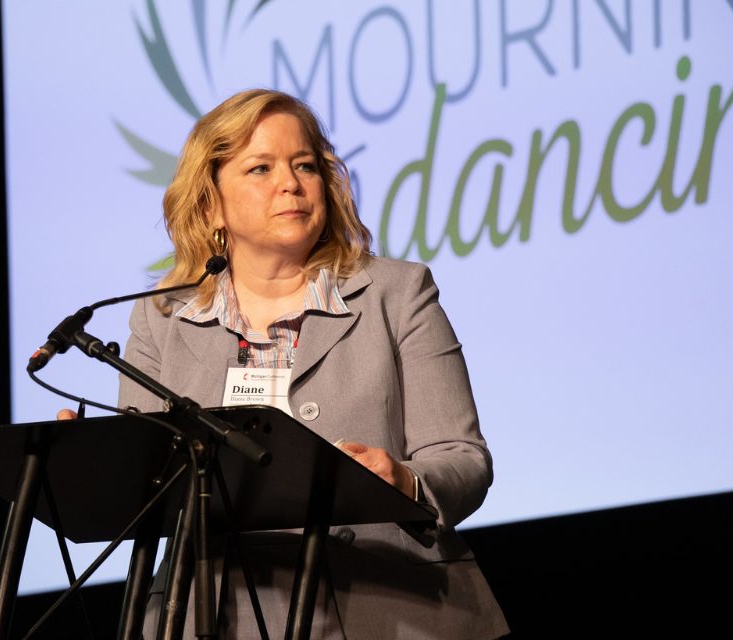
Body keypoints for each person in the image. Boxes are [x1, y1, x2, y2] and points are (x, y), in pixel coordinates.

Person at [64, 88, 508, 638]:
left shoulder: (397, 293)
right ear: (210, 203)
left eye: (305, 165)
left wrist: (406, 481)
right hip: (210, 615)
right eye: (260, 168)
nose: (291, 184)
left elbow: (461, 457)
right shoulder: (160, 319)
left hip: (386, 604)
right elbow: (145, 484)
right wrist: (87, 458)